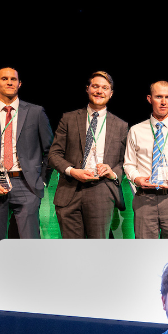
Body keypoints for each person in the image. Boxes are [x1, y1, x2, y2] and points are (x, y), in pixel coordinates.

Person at [0, 67, 53, 292]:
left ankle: (32, 299)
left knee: (30, 248)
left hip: (26, 185)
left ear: (19, 83)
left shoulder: (35, 112)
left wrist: (41, 181)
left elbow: (50, 151)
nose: (9, 82)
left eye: (13, 79)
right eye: (4, 79)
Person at [48, 71, 128, 238]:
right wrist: (72, 171)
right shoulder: (68, 119)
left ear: (111, 93)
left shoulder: (121, 126)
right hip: (70, 190)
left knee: (97, 250)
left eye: (105, 88)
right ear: (88, 89)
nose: (99, 91)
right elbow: (54, 154)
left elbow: (124, 161)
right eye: (95, 86)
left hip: (102, 191)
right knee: (73, 251)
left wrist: (112, 172)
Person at [123, 80, 168, 238]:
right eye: (158, 97)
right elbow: (129, 164)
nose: (163, 102)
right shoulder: (135, 130)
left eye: (167, 97)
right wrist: (137, 179)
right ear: (149, 99)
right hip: (144, 198)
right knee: (145, 251)